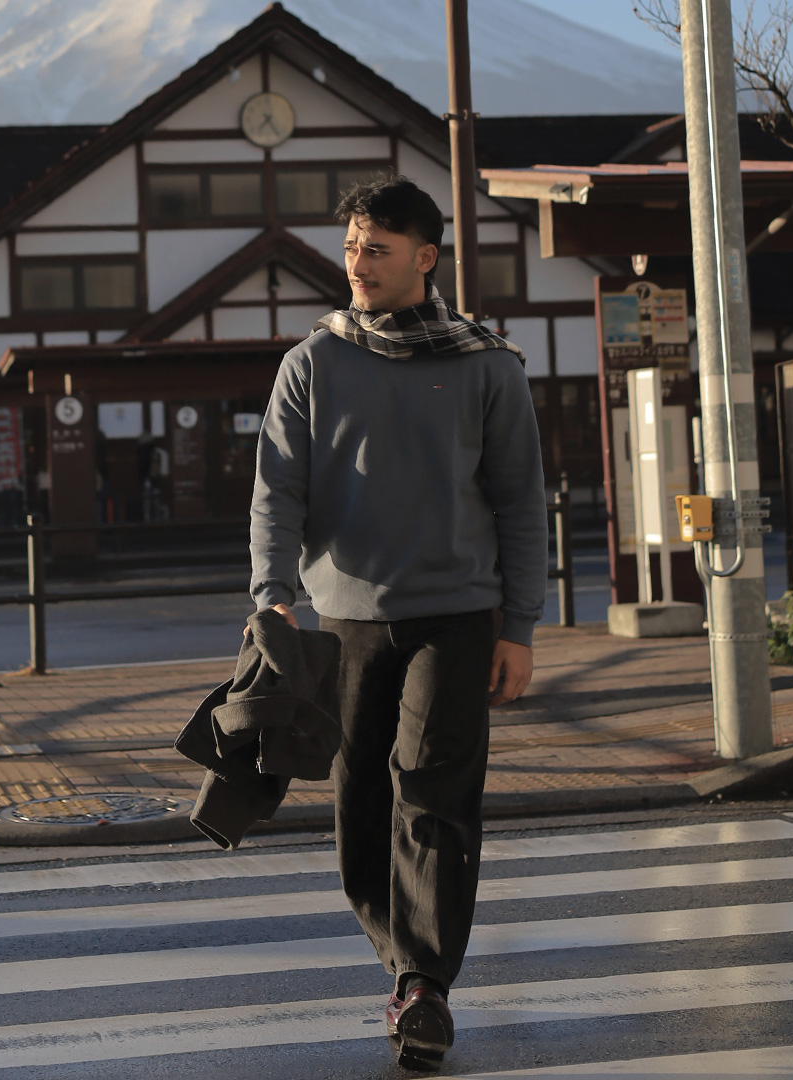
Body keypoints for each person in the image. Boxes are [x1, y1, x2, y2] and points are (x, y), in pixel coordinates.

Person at [248, 176, 549, 1069]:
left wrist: (520, 627)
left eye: (377, 249)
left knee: (433, 792)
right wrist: (272, 594)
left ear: (426, 257)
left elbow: (520, 504)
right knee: (360, 808)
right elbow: (279, 488)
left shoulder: (487, 365)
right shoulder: (314, 362)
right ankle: (404, 965)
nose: (357, 264)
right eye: (350, 247)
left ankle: (423, 982)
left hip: (458, 618)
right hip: (344, 620)